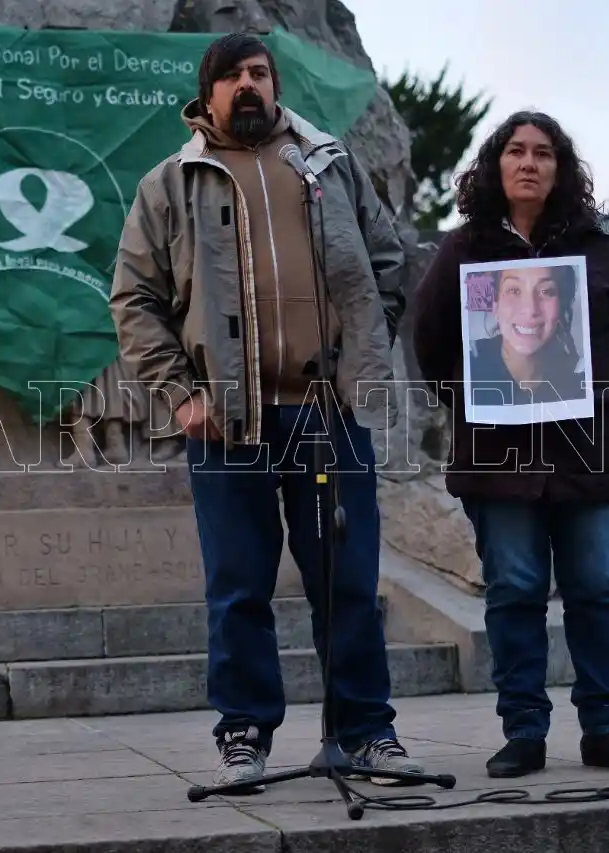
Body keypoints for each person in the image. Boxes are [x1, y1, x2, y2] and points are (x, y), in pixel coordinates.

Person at [109, 32, 420, 792]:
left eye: (259, 73)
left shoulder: (327, 164)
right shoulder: (169, 184)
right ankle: (243, 736)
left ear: (275, 85)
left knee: (347, 580)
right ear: (207, 94)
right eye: (233, 76)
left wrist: (361, 357)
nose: (248, 85)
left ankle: (366, 733)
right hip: (227, 424)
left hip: (327, 414)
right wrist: (181, 393)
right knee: (239, 587)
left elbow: (388, 263)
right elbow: (134, 300)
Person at [411, 110, 609, 779]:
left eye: (543, 152)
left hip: (595, 453)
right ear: (495, 165)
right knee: (514, 591)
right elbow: (431, 341)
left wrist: (596, 389)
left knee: (597, 589)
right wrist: (483, 400)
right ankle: (523, 731)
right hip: (499, 461)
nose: (529, 162)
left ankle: (605, 729)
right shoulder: (464, 251)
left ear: (561, 167)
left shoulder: (605, 245)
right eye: (516, 151)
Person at [467, 263, 587, 406]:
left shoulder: (580, 383)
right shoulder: (469, 370)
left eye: (546, 291)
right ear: (495, 304)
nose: (530, 310)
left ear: (561, 306)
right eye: (514, 290)